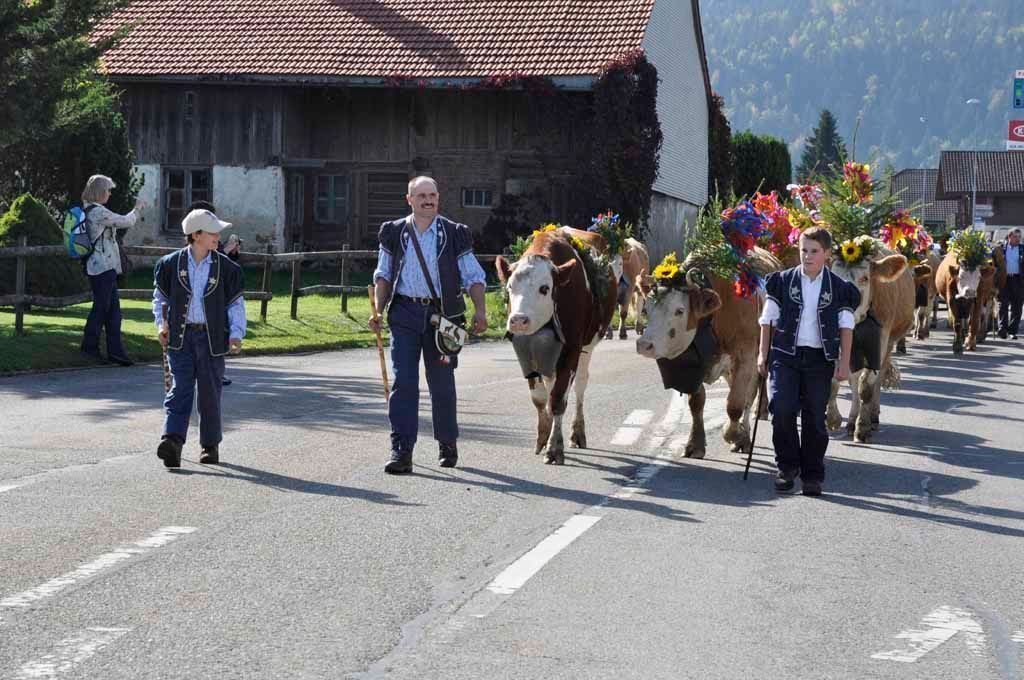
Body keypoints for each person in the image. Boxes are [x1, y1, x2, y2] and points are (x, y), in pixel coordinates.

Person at [368, 176, 487, 474]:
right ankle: (401, 450)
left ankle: (447, 442)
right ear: (409, 199)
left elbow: (473, 276)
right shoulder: (394, 232)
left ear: (438, 198)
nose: (427, 200)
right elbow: (383, 274)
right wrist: (379, 311)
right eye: (421, 195)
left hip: (444, 318)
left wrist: (480, 311)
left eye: (432, 195)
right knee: (404, 383)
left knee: (442, 384)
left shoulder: (453, 233)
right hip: (404, 313)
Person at [757, 227, 861, 496]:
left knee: (815, 417)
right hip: (784, 355)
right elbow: (767, 320)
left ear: (826, 254)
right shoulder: (781, 281)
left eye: (814, 251)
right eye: (804, 250)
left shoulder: (839, 289)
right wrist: (762, 353)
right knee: (780, 408)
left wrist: (844, 362)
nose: (808, 256)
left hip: (819, 359)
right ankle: (787, 467)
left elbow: (846, 327)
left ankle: (812, 474)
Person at [152, 208, 246, 468]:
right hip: (180, 338)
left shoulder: (227, 268)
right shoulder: (171, 264)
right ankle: (172, 441)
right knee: (180, 389)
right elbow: (160, 299)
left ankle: (210, 445)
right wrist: (162, 324)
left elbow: (235, 304)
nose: (218, 236)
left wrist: (236, 333)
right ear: (196, 235)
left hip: (212, 338)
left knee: (209, 393)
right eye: (213, 232)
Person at [79, 175, 145, 366]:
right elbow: (125, 221)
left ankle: (116, 352)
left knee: (113, 312)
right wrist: (137, 209)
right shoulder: (97, 212)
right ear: (99, 191)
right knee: (101, 309)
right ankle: (89, 348)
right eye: (107, 190)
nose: (109, 194)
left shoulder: (89, 209)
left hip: (103, 267)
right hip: (101, 268)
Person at [190, 200, 239, 384]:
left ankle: (214, 374)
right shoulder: (190, 250)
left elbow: (222, 265)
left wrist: (231, 252)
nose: (217, 235)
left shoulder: (212, 244)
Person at [996, 228, 1024, 340]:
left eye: (1019, 237)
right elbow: (993, 263)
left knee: (1017, 306)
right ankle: (1002, 329)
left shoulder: (1022, 249)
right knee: (1003, 304)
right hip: (1004, 279)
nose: (1018, 239)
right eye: (1016, 236)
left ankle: (1012, 331)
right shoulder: (1000, 249)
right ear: (1009, 237)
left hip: (1018, 280)